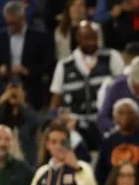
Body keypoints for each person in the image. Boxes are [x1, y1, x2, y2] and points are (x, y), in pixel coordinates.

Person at [49, 21, 124, 150]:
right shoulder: (65, 65)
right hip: (76, 124)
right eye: (86, 38)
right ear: (78, 38)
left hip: (105, 123)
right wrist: (54, 120)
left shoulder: (112, 57)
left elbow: (123, 90)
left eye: (93, 37)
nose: (91, 42)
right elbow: (56, 99)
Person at [0, 0, 54, 110]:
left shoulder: (40, 37)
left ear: (23, 18)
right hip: (5, 86)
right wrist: (0, 69)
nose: (11, 27)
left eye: (15, 23)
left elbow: (48, 64)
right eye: (9, 23)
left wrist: (27, 70)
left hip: (31, 86)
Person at [96, 98, 139, 185]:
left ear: (137, 117)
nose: (125, 116)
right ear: (114, 117)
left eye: (130, 113)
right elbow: (100, 173)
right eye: (121, 113)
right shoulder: (107, 143)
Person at [0, 77, 44, 167]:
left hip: (25, 164)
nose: (13, 93)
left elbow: (37, 122)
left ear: (24, 93)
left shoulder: (29, 111)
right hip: (2, 163)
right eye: (10, 90)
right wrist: (0, 102)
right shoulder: (1, 113)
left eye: (17, 89)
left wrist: (21, 103)